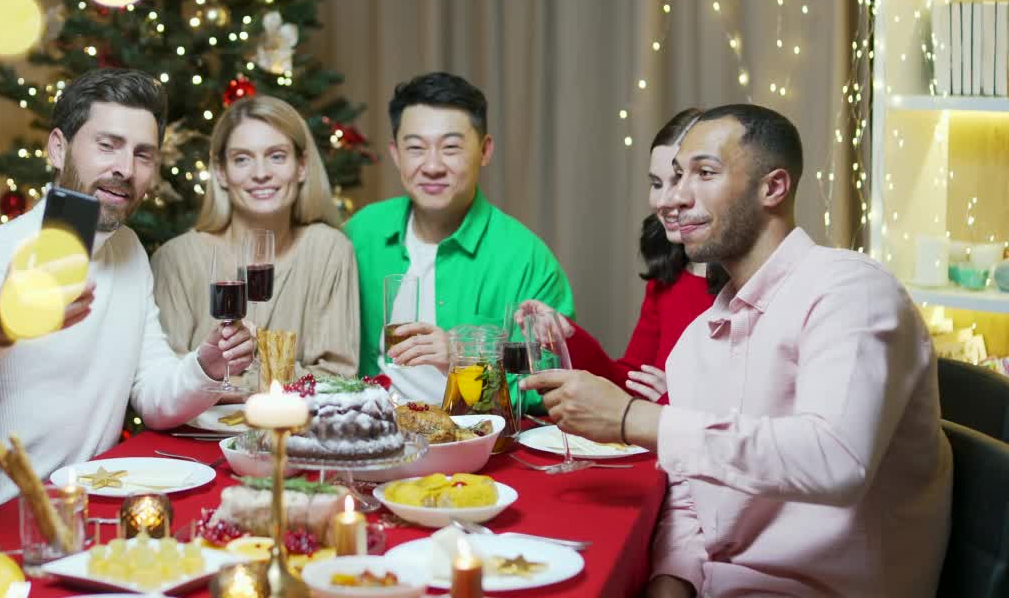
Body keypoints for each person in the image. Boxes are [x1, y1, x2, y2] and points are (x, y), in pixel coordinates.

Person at [525, 104, 952, 597]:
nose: (674, 198)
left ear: (773, 187)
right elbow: (688, 493)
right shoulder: (698, 339)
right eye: (675, 176)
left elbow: (834, 458)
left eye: (704, 173)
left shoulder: (849, 291)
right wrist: (670, 582)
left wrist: (633, 419)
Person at [0, 68, 254, 545]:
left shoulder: (129, 254)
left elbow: (152, 394)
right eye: (107, 145)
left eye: (142, 154)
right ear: (58, 148)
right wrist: (3, 318)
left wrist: (206, 367)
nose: (125, 168)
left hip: (72, 527)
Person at [344, 71, 574, 403]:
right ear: (395, 154)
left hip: (474, 443)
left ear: (484, 150)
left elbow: (552, 383)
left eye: (450, 147)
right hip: (371, 435)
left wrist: (467, 360)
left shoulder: (526, 259)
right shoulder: (360, 233)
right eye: (416, 148)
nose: (432, 165)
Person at [515, 108, 724, 404]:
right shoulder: (668, 277)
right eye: (655, 183)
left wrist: (673, 400)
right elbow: (630, 385)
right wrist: (567, 337)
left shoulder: (751, 286)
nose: (663, 201)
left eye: (677, 180)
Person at [151, 95, 359, 379]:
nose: (261, 173)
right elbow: (163, 381)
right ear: (221, 172)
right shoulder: (176, 259)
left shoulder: (328, 251)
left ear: (301, 166)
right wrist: (278, 377)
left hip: (297, 425)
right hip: (200, 426)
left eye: (276, 156)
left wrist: (227, 379)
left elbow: (337, 377)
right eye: (242, 159)